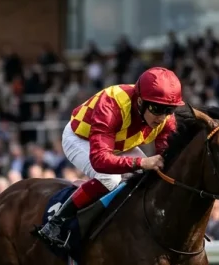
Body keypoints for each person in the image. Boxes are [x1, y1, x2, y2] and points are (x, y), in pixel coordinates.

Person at [34, 67, 183, 249]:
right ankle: (56, 223)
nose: (162, 117)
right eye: (157, 108)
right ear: (140, 101)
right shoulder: (112, 103)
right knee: (110, 179)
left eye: (170, 109)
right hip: (81, 139)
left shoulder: (167, 119)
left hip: (119, 144)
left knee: (150, 176)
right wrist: (141, 162)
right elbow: (100, 160)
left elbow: (166, 161)